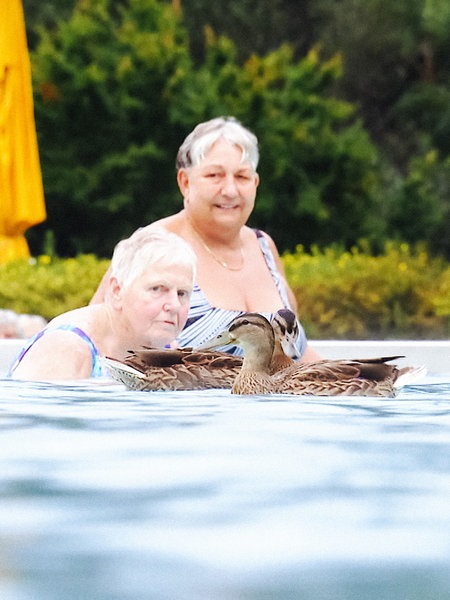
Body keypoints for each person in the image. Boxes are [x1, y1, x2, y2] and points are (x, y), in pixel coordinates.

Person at [92, 116, 321, 362]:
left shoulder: (264, 246)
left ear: (255, 183)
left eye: (242, 177)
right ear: (185, 182)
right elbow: (93, 338)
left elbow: (300, 355)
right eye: (214, 175)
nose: (230, 190)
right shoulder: (153, 245)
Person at [8, 229, 196, 380]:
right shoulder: (66, 349)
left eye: (182, 293)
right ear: (116, 291)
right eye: (157, 289)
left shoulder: (164, 349)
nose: (174, 305)